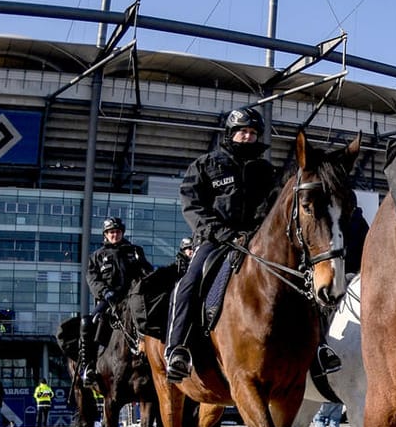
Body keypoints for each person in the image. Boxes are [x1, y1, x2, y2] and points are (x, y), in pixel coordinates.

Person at [164, 106, 280, 383]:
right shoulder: (206, 165)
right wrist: (220, 232)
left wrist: (257, 232)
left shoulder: (266, 171)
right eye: (242, 131)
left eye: (252, 133)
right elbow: (192, 206)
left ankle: (319, 348)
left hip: (256, 241)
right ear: (231, 133)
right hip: (214, 240)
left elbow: (274, 207)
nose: (247, 137)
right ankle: (178, 349)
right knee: (188, 283)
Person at [82, 215, 154, 386]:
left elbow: (147, 271)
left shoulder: (135, 251)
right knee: (88, 323)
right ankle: (88, 366)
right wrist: (104, 291)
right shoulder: (97, 256)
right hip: (110, 299)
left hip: (134, 299)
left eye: (117, 231)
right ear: (105, 234)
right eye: (111, 232)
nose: (114, 235)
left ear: (122, 233)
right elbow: (92, 279)